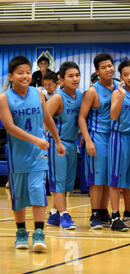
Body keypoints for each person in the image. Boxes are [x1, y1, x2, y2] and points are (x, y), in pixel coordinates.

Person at [0, 56, 65, 251]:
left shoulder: (38, 93)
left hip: (38, 155)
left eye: (28, 72)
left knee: (37, 191)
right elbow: (10, 127)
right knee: (18, 196)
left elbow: (48, 118)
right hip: (18, 155)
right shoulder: (5, 98)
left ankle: (39, 233)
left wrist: (58, 141)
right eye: (20, 73)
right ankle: (21, 232)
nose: (25, 76)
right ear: (11, 76)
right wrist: (35, 139)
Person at [78, 53, 117, 229]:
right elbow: (81, 118)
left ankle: (103, 211)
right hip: (97, 137)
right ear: (97, 71)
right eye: (104, 67)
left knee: (109, 179)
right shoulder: (93, 91)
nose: (108, 69)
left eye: (110, 65)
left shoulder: (119, 87)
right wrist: (88, 141)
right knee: (96, 180)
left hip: (115, 138)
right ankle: (94, 214)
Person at [107, 60, 130, 231]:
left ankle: (128, 215)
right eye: (126, 74)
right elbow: (113, 116)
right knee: (116, 180)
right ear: (121, 77)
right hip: (119, 138)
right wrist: (121, 96)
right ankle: (115, 216)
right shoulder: (117, 93)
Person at [45, 61, 82, 230]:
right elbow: (44, 119)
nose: (75, 79)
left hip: (72, 143)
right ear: (61, 79)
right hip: (56, 144)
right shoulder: (58, 97)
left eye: (77, 75)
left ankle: (54, 214)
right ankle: (64, 215)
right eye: (70, 76)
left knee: (67, 182)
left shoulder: (79, 95)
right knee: (58, 181)